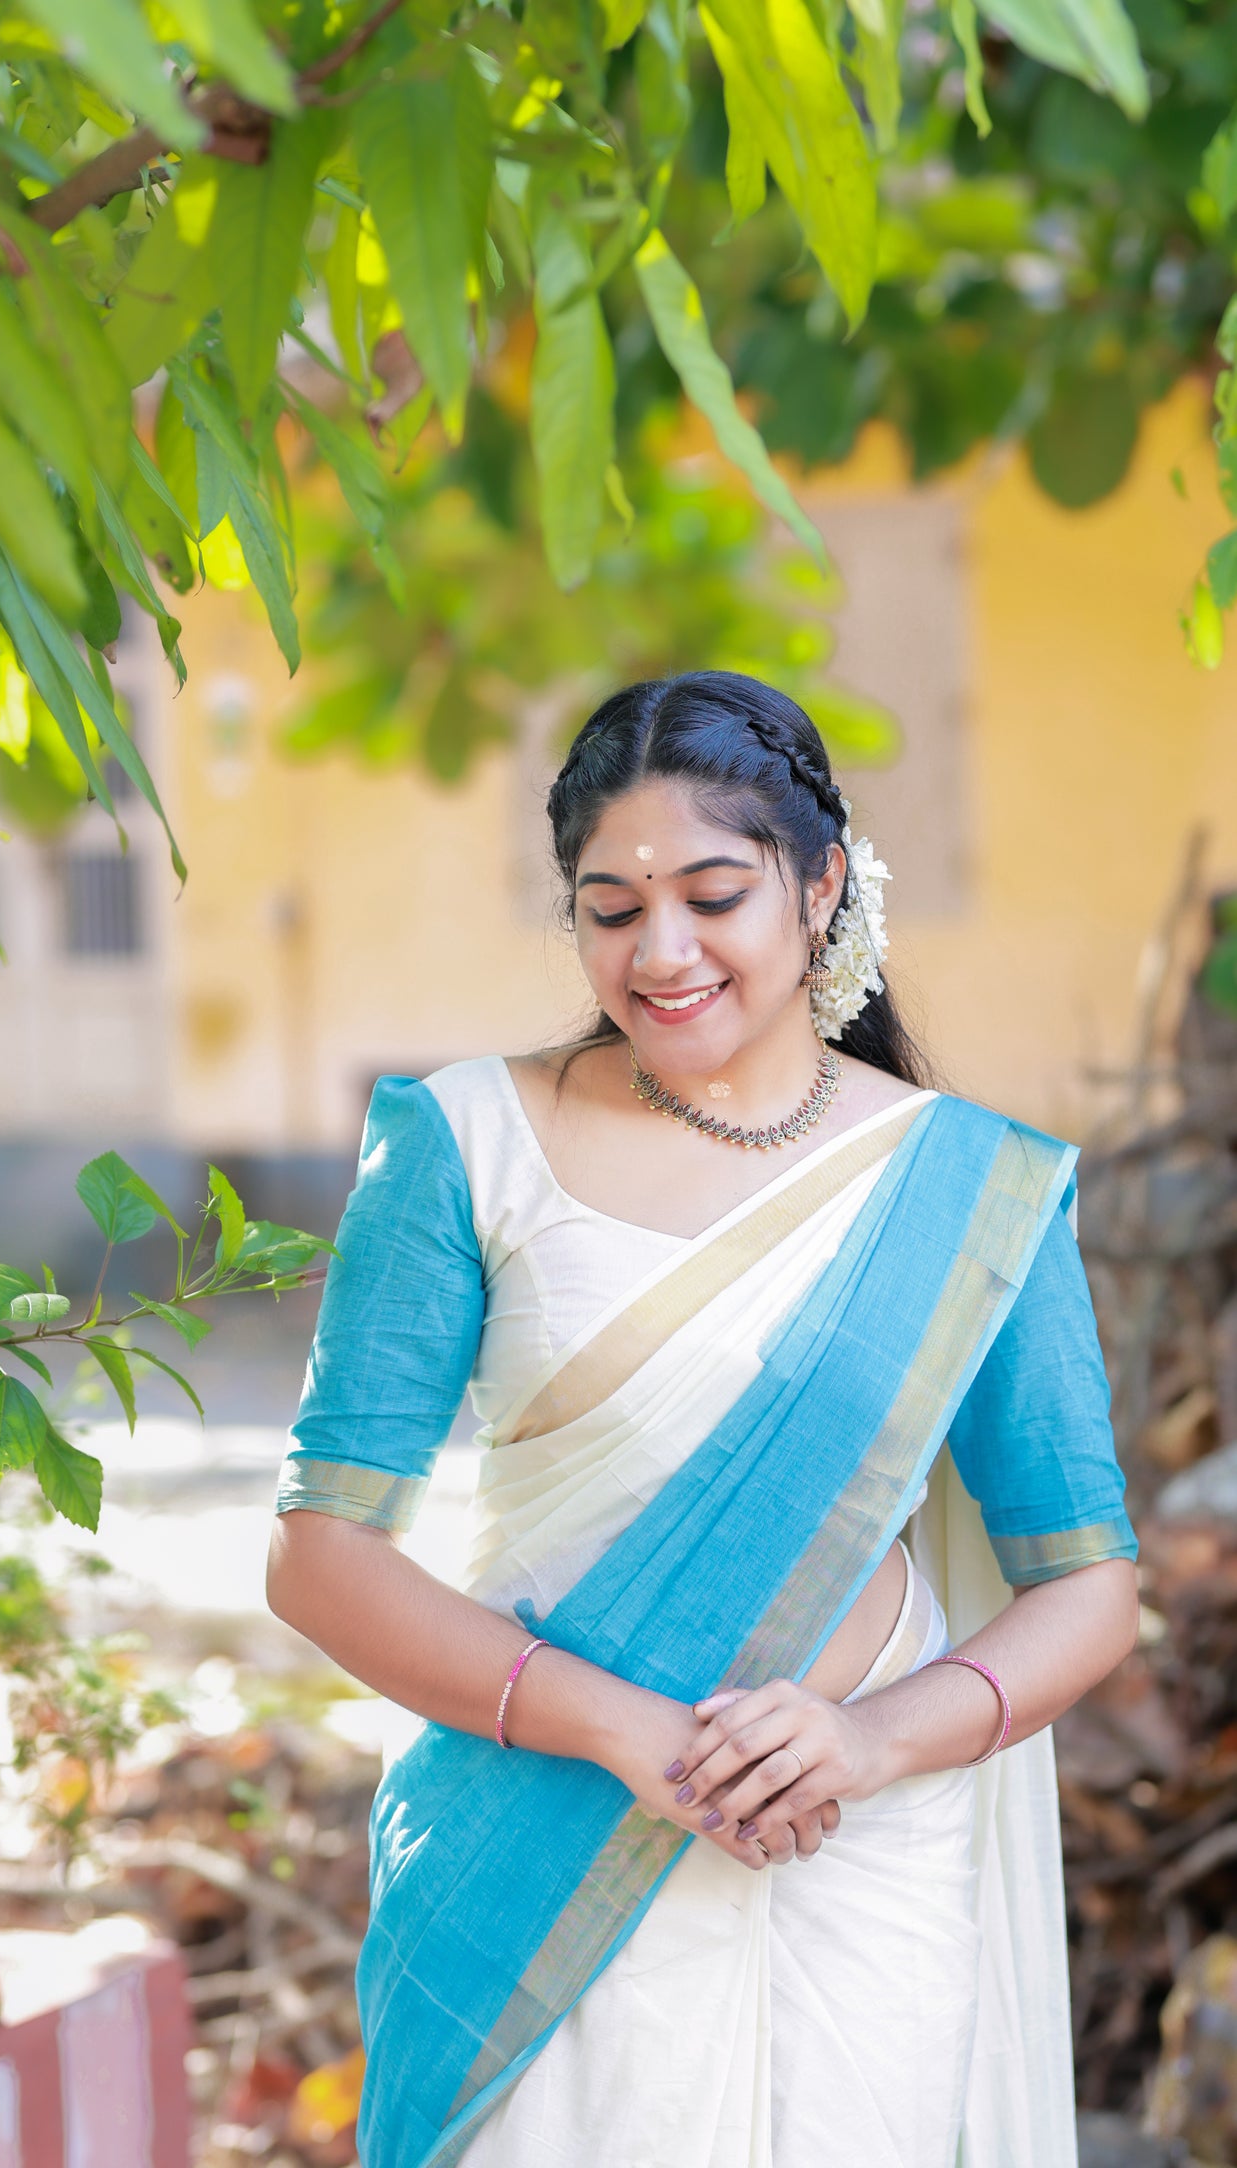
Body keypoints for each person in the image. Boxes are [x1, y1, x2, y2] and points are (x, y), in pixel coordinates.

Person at [265, 671, 1139, 2168]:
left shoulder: (966, 1186)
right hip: (540, 1842)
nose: (658, 953)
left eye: (712, 895)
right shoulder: (465, 1141)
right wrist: (630, 1736)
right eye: (610, 909)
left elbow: (1088, 1583)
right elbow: (319, 1557)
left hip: (857, 1864)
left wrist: (865, 1744)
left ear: (818, 891)